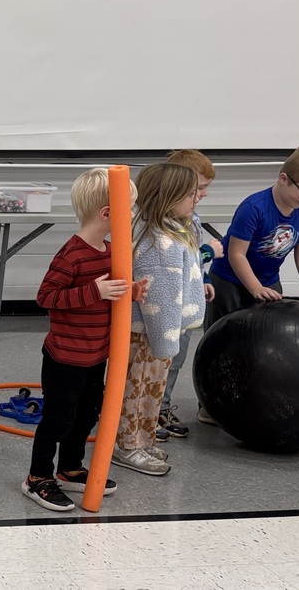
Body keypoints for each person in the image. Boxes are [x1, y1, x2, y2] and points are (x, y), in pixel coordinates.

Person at [22, 168, 141, 512]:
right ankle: (37, 477)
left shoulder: (110, 250)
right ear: (108, 214)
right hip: (65, 357)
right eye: (128, 209)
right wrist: (93, 290)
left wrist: (131, 292)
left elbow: (109, 294)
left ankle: (70, 469)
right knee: (58, 419)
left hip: (96, 354)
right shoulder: (72, 255)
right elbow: (46, 297)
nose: (131, 216)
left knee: (87, 415)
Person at [200, 143, 299, 424]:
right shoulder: (253, 208)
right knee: (223, 343)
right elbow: (236, 254)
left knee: (260, 345)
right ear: (283, 178)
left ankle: (252, 398)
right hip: (230, 281)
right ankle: (210, 403)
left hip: (269, 282)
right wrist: (254, 288)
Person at [112, 163, 206, 476]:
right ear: (169, 197)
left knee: (151, 391)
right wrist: (166, 342)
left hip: (160, 333)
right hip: (151, 334)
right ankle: (127, 445)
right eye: (190, 194)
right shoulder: (159, 242)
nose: (197, 199)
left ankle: (143, 438)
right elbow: (161, 300)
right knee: (137, 391)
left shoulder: (172, 227)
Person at [156, 150, 223, 441]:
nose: (204, 194)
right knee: (160, 360)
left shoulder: (190, 216)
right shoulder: (162, 222)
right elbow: (179, 259)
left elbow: (192, 260)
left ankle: (161, 408)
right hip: (166, 308)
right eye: (199, 188)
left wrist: (204, 278)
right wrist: (210, 252)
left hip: (184, 304)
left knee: (177, 359)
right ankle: (146, 413)